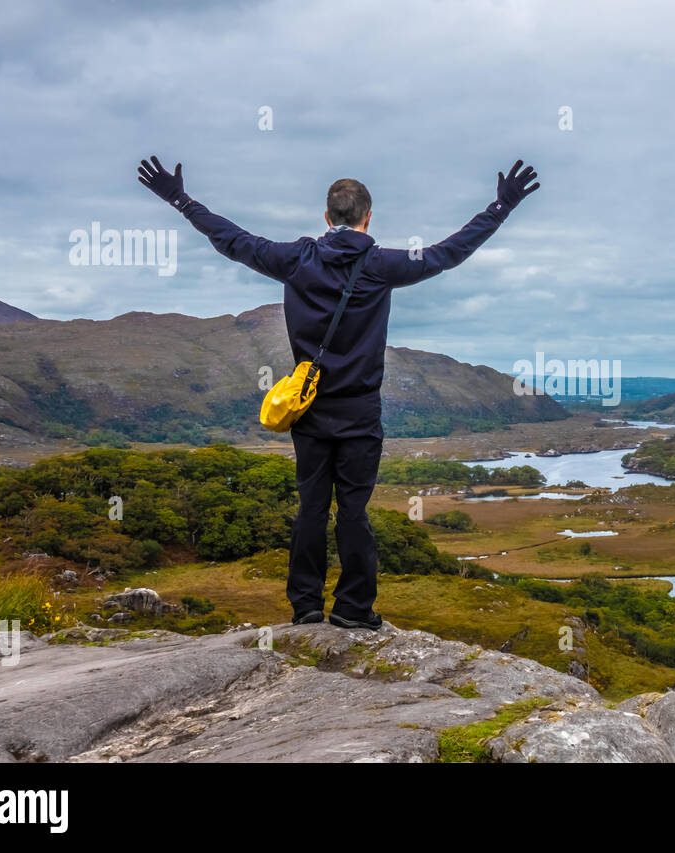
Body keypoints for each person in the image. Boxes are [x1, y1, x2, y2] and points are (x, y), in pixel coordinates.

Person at [137, 154, 540, 629]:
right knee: (353, 511)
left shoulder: (295, 259)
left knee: (311, 508)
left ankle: (305, 607)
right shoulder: (382, 265)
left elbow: (233, 240)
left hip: (307, 412)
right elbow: (448, 253)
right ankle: (353, 609)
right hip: (360, 413)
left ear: (327, 218)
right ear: (368, 217)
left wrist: (178, 198)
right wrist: (501, 208)